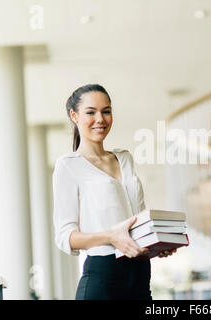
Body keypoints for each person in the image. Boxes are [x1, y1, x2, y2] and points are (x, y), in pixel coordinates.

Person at [53, 84, 176, 300]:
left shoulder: (124, 158)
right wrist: (111, 236)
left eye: (106, 111)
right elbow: (65, 237)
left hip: (139, 275)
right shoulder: (68, 165)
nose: (100, 119)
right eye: (91, 112)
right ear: (74, 116)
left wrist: (156, 242)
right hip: (103, 278)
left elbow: (137, 217)